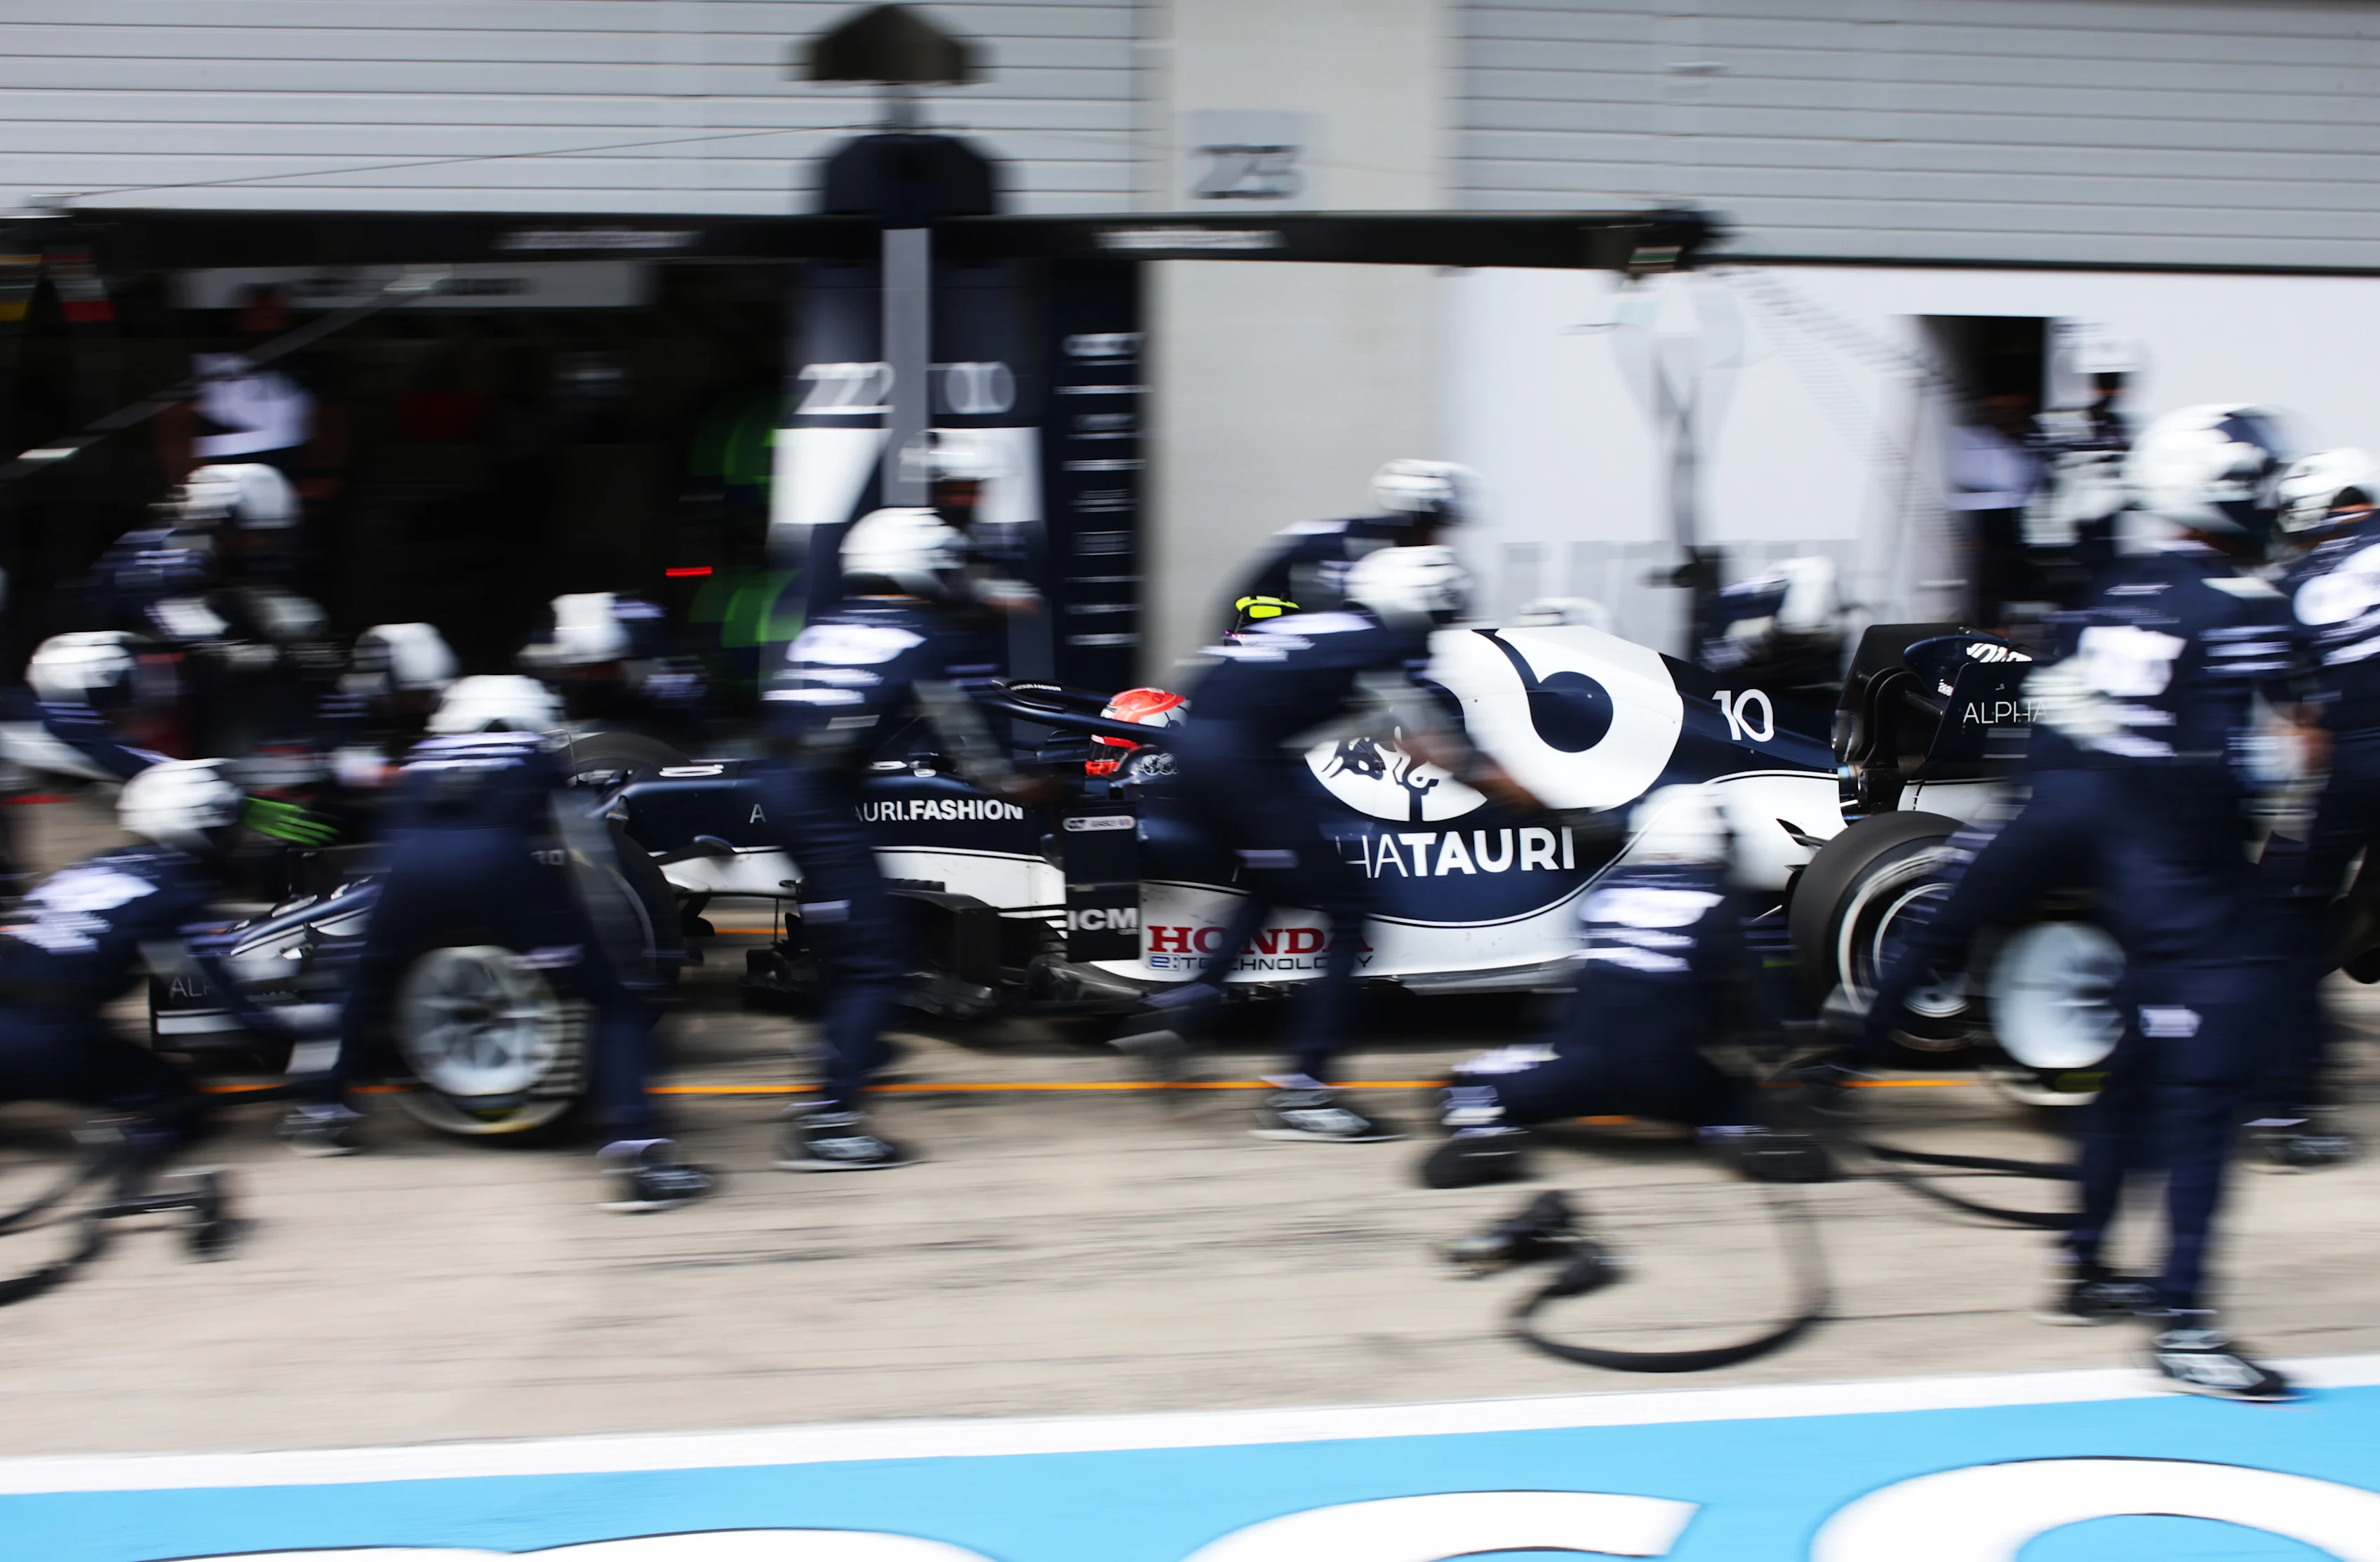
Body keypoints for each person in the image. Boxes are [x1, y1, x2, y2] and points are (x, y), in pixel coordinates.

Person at [2015, 404, 2306, 1401]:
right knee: (2200, 1111)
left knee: (2131, 1081)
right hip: (2208, 904)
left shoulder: (2118, 588)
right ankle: (2186, 1321)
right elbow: (2257, 765)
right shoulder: (2241, 605)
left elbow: (2055, 708)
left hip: (2130, 881)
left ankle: (2086, 1261)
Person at [1128, 544, 1533, 1142]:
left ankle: (1187, 1008)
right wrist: (1526, 798)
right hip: (1243, 766)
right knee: (1348, 905)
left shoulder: (1318, 623)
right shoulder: (1388, 640)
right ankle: (1305, 1091)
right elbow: (1432, 744)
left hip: (1196, 758)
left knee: (1273, 883)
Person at [289, 674, 713, 1213]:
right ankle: (638, 1156)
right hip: (504, 877)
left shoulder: (422, 759)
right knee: (617, 1001)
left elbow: (390, 835)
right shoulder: (530, 755)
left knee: (359, 984)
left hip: (408, 881)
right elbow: (586, 845)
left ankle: (323, 1113)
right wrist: (609, 945)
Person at [759, 507, 1055, 1171]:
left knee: (850, 936)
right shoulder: (927, 634)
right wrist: (1031, 786)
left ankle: (850, 1052)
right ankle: (829, 1122)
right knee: (878, 956)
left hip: (781, 785)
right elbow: (978, 757)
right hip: (818, 800)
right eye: (946, 566)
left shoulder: (829, 624)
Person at [1417, 786, 1833, 1189]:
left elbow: (1575, 997)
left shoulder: (1605, 893)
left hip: (1578, 1067)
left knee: (1463, 1083)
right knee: (1741, 1099)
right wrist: (1775, 1057)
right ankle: (1741, 1131)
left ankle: (1483, 1133)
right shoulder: (1719, 903)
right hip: (1672, 1076)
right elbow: (1758, 1017)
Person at [0, 761, 279, 1149]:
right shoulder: (180, 889)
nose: (236, 840)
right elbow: (215, 989)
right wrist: (284, 1032)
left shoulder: (89, 866)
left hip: (13, 1020)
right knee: (177, 1102)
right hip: (49, 1041)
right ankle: (126, 1139)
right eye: (228, 829)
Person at [2247, 447, 2380, 1169]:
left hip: (2349, 761)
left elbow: (2283, 698)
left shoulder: (2291, 581)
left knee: (2282, 924)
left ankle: (2281, 1112)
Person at [1227, 460, 1474, 632]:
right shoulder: (1333, 548)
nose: (1443, 540)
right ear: (1413, 521)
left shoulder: (1417, 563)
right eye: (1437, 528)